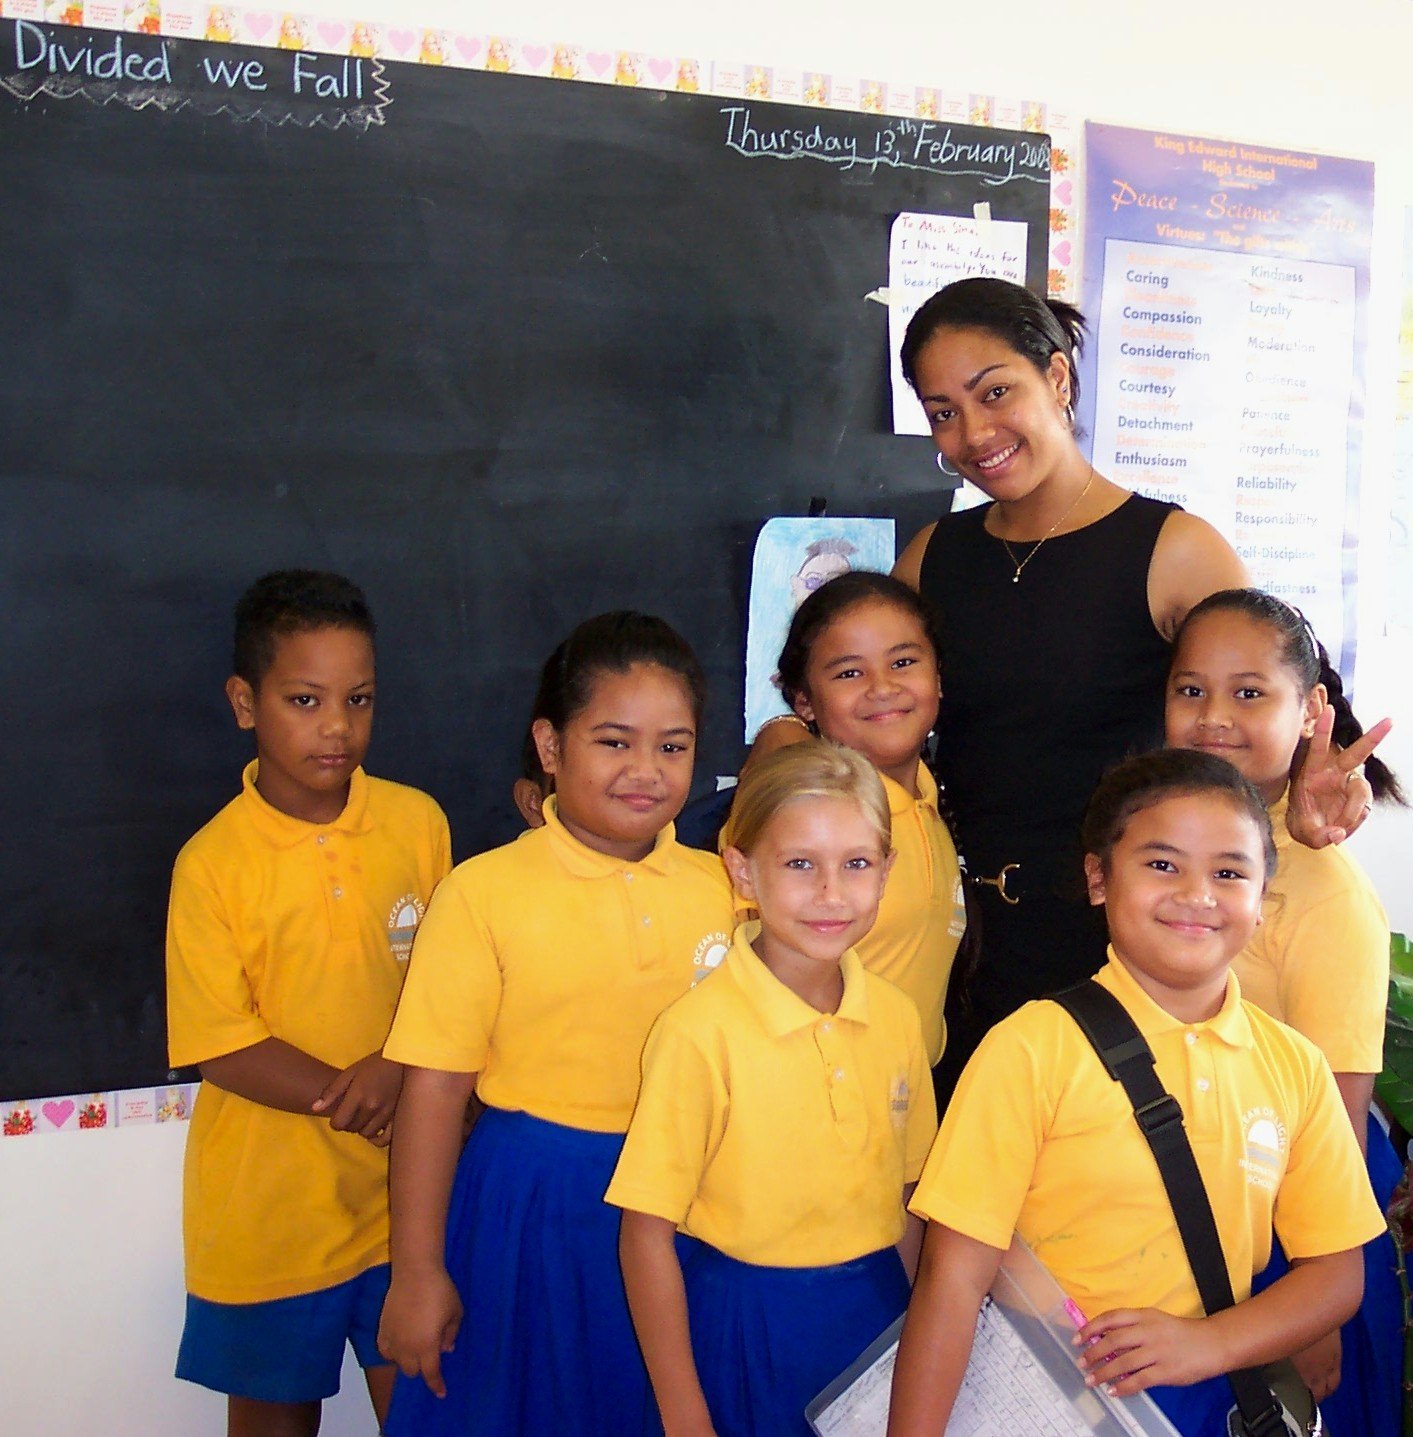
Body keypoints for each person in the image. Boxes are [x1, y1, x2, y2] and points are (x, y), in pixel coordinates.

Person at [887, 749, 1385, 1436]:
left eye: (1229, 871)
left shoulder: (1295, 1064)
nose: (1195, 893)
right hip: (1043, 1395)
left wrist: (1207, 1344)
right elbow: (951, 1278)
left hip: (1207, 1399)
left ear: (1261, 895)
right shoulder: (1031, 1047)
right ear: (1098, 877)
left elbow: (1335, 1273)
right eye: (1161, 863)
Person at [889, 276, 1250, 1102]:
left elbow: (1261, 720)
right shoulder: (930, 557)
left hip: (1112, 944)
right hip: (954, 946)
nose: (973, 433)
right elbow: (857, 719)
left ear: (1056, 378)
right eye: (943, 411)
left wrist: (1300, 793)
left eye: (995, 392)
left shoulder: (1173, 550)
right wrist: (781, 743)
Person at [376, 611, 735, 1437]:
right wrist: (417, 1270)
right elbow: (432, 1091)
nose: (645, 770)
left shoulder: (727, 886)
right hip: (531, 1209)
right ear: (549, 746)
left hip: (688, 1204)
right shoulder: (482, 891)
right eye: (614, 741)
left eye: (672, 746)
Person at [165, 570, 452, 1437]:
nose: (336, 725)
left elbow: (456, 987)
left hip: (406, 1207)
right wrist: (359, 1094)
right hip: (268, 1219)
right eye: (304, 698)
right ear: (245, 702)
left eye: (358, 697)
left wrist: (400, 1070)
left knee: (432, 1412)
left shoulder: (417, 825)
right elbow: (223, 1043)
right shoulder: (212, 862)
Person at [609, 739, 936, 1437]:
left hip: (874, 1311)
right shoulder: (699, 1032)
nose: (830, 892)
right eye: (799, 864)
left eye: (855, 863)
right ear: (742, 870)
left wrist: (915, 1332)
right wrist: (682, 1409)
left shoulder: (897, 1018)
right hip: (744, 1323)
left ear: (886, 871)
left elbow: (908, 1198)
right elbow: (644, 1232)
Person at [1166, 587, 1404, 1434]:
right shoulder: (1181, 846)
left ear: (1309, 712)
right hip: (1204, 1211)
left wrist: (1315, 1306)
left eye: (1247, 692)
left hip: (1300, 1232)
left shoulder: (1324, 890)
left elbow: (1334, 1123)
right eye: (1190, 690)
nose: (1213, 716)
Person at [731, 573, 968, 1075]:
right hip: (808, 1098)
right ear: (804, 702)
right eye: (847, 673)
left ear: (939, 676)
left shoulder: (928, 801)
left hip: (901, 1106)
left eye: (903, 662)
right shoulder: (807, 815)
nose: (883, 688)